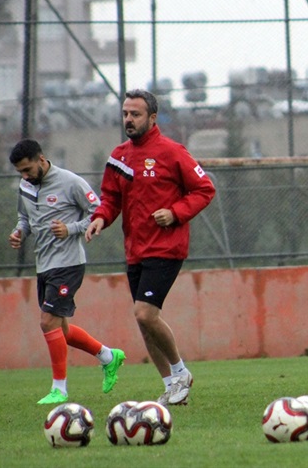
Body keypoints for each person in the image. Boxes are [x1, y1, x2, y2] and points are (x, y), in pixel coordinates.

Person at [85, 89, 215, 406]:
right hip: (136, 249)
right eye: (126, 114)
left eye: (136, 114)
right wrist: (101, 217)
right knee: (145, 323)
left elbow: (204, 189)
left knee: (144, 313)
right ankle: (173, 386)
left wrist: (175, 213)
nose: (128, 119)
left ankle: (181, 372)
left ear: (152, 118)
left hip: (167, 247)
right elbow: (111, 198)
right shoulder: (119, 156)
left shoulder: (172, 152)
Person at [8, 139, 125, 405]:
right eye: (21, 172)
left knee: (47, 321)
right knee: (60, 327)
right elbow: (24, 219)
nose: (25, 176)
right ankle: (108, 356)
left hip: (68, 263)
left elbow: (99, 212)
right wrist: (19, 233)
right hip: (44, 264)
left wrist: (71, 229)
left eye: (28, 169)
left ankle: (59, 388)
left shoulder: (71, 182)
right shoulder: (26, 185)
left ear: (41, 159)